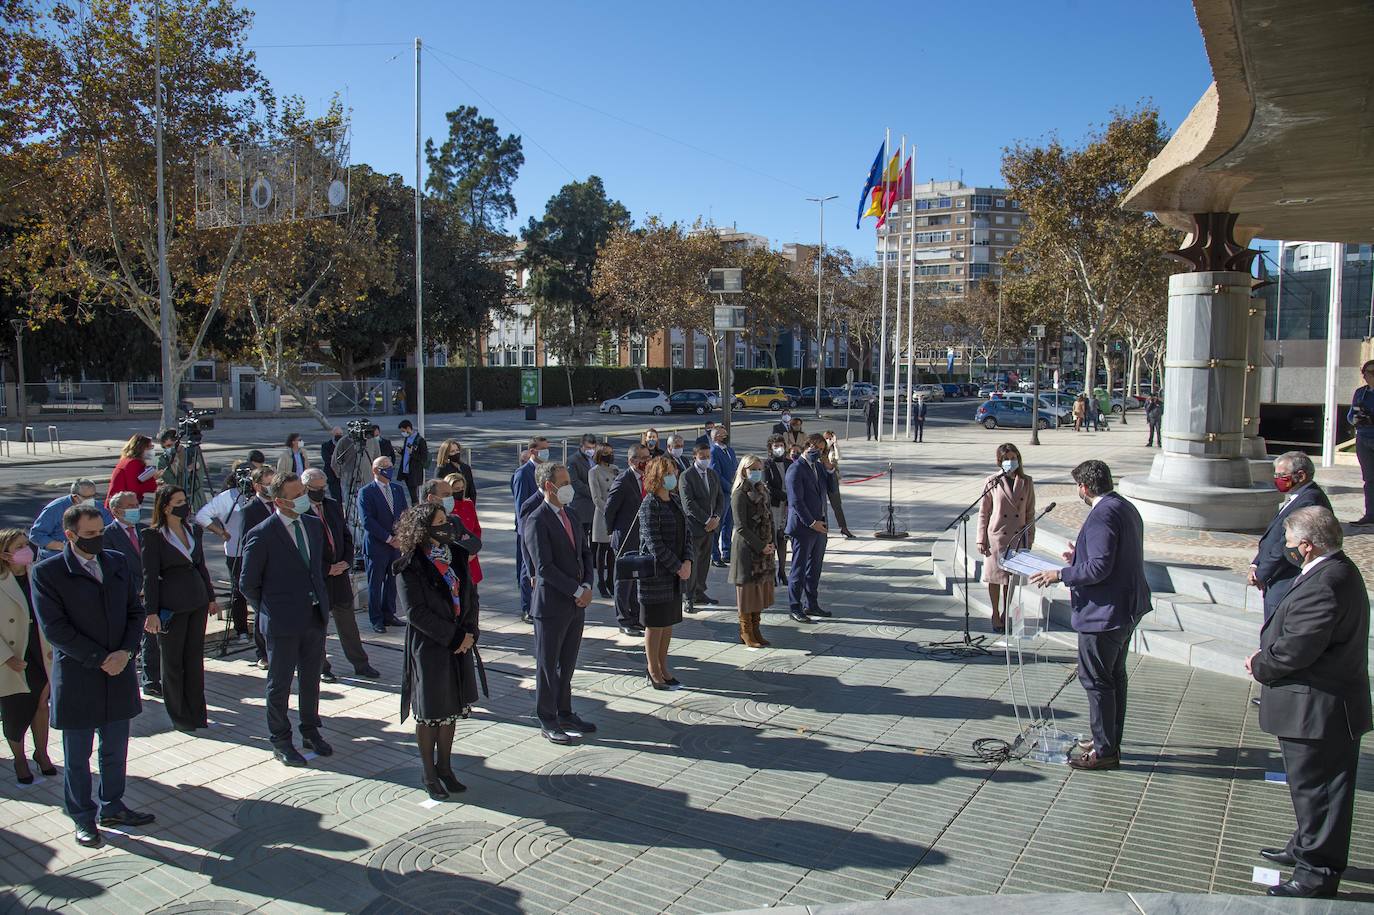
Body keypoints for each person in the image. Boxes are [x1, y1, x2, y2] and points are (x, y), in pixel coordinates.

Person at [1246, 506, 1370, 899]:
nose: (1286, 549)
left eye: (1289, 543)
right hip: (1316, 706)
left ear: (1307, 545)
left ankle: (1316, 874)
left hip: (1320, 709)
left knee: (1320, 792)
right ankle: (1304, 847)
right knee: (1309, 789)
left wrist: (1259, 663)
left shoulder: (1327, 582)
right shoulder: (1331, 571)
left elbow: (1299, 648)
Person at [32, 502, 153, 848]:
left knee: (115, 750)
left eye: (100, 532)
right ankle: (83, 817)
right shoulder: (48, 573)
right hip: (80, 677)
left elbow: (135, 610)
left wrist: (126, 653)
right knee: (78, 756)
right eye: (90, 535)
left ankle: (113, 805)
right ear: (69, 535)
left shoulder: (114, 562)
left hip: (119, 671)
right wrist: (101, 658)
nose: (98, 539)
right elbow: (55, 629)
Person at [1029, 460, 1151, 771]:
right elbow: (1110, 556)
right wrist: (1077, 557)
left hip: (1105, 614)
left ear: (1084, 488)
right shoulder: (1124, 506)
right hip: (1126, 608)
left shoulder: (1102, 515)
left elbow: (1099, 568)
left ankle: (1105, 751)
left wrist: (1061, 573)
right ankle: (1106, 739)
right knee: (1113, 677)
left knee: (1097, 680)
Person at [238, 473, 332, 767]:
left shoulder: (313, 525)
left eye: (303, 491)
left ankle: (310, 729)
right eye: (297, 495)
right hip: (281, 623)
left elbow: (316, 567)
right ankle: (280, 739)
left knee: (310, 679)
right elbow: (248, 584)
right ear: (279, 500)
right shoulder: (262, 534)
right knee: (279, 684)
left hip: (313, 617)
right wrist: (271, 609)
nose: (304, 497)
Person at [395, 502, 481, 800]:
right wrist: (454, 636)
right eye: (441, 521)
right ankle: (429, 773)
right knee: (431, 713)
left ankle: (445, 767)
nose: (447, 526)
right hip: (431, 646)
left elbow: (470, 595)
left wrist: (469, 633)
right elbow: (416, 613)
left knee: (451, 711)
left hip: (460, 644)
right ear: (424, 529)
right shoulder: (410, 565)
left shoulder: (456, 554)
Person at [522, 462, 596, 744]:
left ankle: (565, 711)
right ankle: (547, 717)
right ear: (548, 486)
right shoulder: (537, 520)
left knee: (567, 663)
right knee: (547, 664)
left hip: (576, 603)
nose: (569, 488)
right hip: (552, 605)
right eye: (564, 483)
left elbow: (585, 553)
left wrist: (587, 585)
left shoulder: (572, 515)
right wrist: (577, 590)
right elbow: (544, 568)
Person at [140, 485, 215, 732]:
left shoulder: (192, 529)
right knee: (172, 661)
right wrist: (151, 612)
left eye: (185, 500)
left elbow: (201, 565)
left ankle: (197, 712)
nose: (185, 504)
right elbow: (149, 576)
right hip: (171, 605)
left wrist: (211, 597)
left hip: (197, 601)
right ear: (165, 506)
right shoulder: (154, 535)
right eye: (179, 501)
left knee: (194, 659)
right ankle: (180, 715)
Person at [302, 469, 379, 680]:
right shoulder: (300, 511)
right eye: (314, 489)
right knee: (319, 625)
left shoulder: (332, 506)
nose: (319, 492)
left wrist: (346, 561)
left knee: (348, 624)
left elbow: (345, 536)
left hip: (340, 574)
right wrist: (326, 567)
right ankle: (321, 667)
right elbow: (304, 548)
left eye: (322, 488)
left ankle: (360, 664)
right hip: (318, 578)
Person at [1249, 451, 1332, 625]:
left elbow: (1286, 544)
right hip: (1277, 577)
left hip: (1286, 578)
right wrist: (1256, 563)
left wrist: (1262, 572)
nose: (1277, 479)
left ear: (1300, 475)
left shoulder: (1308, 500)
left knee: (1276, 632)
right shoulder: (1298, 497)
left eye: (1281, 475)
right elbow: (1273, 535)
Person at [0, 530, 55, 785]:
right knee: (15, 710)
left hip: (40, 651)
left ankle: (41, 752)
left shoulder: (39, 574)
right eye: (19, 546)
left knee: (41, 703)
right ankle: (19, 757)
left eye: (26, 544)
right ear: (5, 554)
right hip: (13, 656)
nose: (26, 550)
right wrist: (6, 657)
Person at [637, 456, 690, 688]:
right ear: (657, 476)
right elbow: (653, 543)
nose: (674, 475)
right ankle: (652, 669)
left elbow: (686, 533)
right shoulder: (649, 504)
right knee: (655, 624)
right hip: (657, 575)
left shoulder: (675, 500)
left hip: (675, 575)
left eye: (674, 471)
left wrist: (687, 560)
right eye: (668, 472)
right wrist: (677, 566)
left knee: (667, 622)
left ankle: (663, 665)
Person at [196, 462, 258, 650]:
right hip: (236, 551)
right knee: (239, 592)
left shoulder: (259, 495)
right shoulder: (226, 498)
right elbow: (201, 516)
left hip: (258, 550)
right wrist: (221, 532)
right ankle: (241, 630)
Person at [976, 444, 1036, 632]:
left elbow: (1030, 512)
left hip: (1017, 538)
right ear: (1000, 461)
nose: (1011, 461)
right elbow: (984, 512)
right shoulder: (992, 481)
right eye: (1006, 458)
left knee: (1010, 580)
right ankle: (995, 612)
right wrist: (980, 538)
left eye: (1013, 457)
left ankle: (1006, 612)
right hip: (996, 537)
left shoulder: (1026, 481)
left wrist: (1030, 538)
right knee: (995, 578)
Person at [106, 491, 159, 697]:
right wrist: (139, 587)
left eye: (136, 504)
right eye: (131, 505)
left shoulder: (145, 530)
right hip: (129, 596)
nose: (136, 508)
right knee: (132, 640)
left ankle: (152, 681)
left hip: (152, 594)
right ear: (116, 510)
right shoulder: (107, 536)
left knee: (152, 638)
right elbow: (113, 569)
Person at [785, 434, 833, 624]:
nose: (817, 451)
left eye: (821, 449)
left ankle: (811, 603)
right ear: (806, 446)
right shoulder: (795, 469)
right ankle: (794, 606)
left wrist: (830, 470)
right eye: (814, 447)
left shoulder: (819, 467)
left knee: (815, 568)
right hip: (804, 528)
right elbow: (796, 502)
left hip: (820, 526)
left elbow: (831, 490)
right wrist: (812, 523)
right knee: (799, 568)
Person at [358, 456, 408, 633]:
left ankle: (389, 614)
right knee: (375, 583)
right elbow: (367, 521)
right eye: (384, 467)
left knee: (392, 582)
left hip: (395, 546)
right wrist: (388, 538)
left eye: (390, 466)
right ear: (375, 470)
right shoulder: (366, 492)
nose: (388, 469)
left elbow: (404, 514)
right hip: (377, 545)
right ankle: (376, 618)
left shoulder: (397, 489)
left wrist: (401, 537)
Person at [729, 455, 775, 649]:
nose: (756, 472)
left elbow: (768, 518)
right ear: (744, 470)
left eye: (758, 468)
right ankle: (746, 631)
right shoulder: (739, 494)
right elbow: (741, 527)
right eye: (752, 469)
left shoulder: (762, 490)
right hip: (747, 551)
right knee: (747, 593)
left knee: (758, 592)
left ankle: (756, 629)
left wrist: (770, 542)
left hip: (763, 550)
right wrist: (760, 545)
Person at [605, 444, 649, 635]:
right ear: (632, 461)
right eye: (643, 459)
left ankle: (635, 616)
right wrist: (612, 532)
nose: (647, 462)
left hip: (641, 538)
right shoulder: (623, 480)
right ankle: (623, 619)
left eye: (648, 457)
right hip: (625, 537)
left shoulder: (646, 478)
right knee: (623, 582)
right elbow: (609, 510)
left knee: (635, 580)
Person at [239, 466, 277, 666]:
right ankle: (262, 653)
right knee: (261, 612)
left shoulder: (279, 504)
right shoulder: (250, 510)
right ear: (256, 486)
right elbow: (248, 542)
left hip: (280, 568)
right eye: (268, 484)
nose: (272, 487)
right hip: (262, 568)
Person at [679, 441, 723, 613]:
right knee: (693, 562)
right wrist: (706, 520)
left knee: (704, 562)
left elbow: (720, 498)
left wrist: (716, 518)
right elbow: (688, 504)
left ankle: (700, 592)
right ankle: (688, 596)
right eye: (702, 457)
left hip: (711, 528)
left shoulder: (712, 474)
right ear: (694, 457)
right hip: (695, 528)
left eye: (707, 457)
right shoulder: (686, 476)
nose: (705, 460)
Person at [511, 438, 548, 624]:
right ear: (532, 451)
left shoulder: (546, 471)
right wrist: (525, 531)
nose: (546, 452)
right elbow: (521, 507)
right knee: (527, 569)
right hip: (528, 529)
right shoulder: (522, 473)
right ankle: (527, 607)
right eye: (543, 449)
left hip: (544, 525)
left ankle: (538, 603)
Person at [31, 480, 113, 562]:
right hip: (58, 559)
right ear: (75, 497)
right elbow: (36, 535)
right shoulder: (55, 508)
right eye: (87, 497)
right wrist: (64, 547)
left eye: (93, 496)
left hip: (90, 558)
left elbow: (110, 531)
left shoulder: (99, 507)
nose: (91, 500)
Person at [589, 445, 619, 598]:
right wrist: (609, 511)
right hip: (603, 514)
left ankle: (610, 580)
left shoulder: (614, 468)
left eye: (611, 453)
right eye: (606, 453)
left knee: (612, 551)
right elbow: (596, 498)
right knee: (602, 550)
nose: (610, 456)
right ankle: (600, 581)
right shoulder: (594, 472)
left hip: (615, 513)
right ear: (600, 455)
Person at [330, 424, 381, 514]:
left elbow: (377, 461)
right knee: (351, 513)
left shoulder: (373, 441)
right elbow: (335, 463)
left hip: (368, 482)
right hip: (349, 483)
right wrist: (342, 476)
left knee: (368, 510)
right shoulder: (344, 441)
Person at [444, 473, 484, 585]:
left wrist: (473, 549)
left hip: (471, 555)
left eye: (462, 488)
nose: (460, 491)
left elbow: (476, 529)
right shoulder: (445, 508)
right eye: (456, 489)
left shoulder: (468, 504)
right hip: (454, 558)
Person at [105, 434, 162, 510]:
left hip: (120, 503)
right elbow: (133, 488)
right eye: (149, 447)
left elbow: (138, 482)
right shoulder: (133, 463)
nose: (152, 450)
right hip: (121, 506)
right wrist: (153, 479)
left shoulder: (130, 461)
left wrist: (153, 481)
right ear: (141, 448)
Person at [764, 434, 791, 586]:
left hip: (788, 506)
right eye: (775, 446)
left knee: (783, 539)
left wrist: (790, 497)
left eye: (781, 445)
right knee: (772, 539)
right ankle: (772, 572)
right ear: (770, 448)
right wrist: (784, 496)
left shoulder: (789, 463)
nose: (779, 448)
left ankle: (782, 570)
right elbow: (767, 486)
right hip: (774, 505)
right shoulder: (767, 465)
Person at [709, 426, 738, 567]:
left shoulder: (730, 450)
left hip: (732, 492)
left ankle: (727, 552)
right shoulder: (713, 451)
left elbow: (736, 468)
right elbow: (716, 474)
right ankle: (715, 555)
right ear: (715, 437)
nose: (726, 436)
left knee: (729, 524)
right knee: (718, 525)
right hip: (722, 494)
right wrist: (730, 487)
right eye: (723, 434)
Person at [1349, 359, 1374, 525]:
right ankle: (1371, 514)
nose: (1371, 376)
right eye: (1369, 372)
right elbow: (1351, 414)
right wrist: (1356, 419)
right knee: (1370, 479)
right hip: (1364, 438)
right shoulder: (1360, 393)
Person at [821, 430, 855, 538]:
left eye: (830, 438)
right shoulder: (820, 450)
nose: (828, 440)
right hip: (821, 478)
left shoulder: (833, 450)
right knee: (820, 505)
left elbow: (838, 457)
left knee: (837, 505)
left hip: (832, 478)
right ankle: (822, 529)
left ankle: (843, 528)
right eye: (826, 438)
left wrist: (835, 444)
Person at [567, 433, 599, 543]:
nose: (591, 450)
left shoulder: (596, 459)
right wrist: (594, 493)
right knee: (582, 539)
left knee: (596, 541)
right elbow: (575, 483)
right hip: (582, 506)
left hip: (596, 507)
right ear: (581, 446)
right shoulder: (573, 460)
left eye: (593, 448)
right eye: (588, 448)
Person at [434, 438, 478, 504]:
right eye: (452, 451)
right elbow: (438, 491)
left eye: (457, 450)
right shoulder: (441, 469)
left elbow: (472, 489)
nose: (456, 453)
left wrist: (472, 504)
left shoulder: (465, 468)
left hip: (465, 504)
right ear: (446, 454)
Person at [396, 419, 429, 505]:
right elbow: (406, 453)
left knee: (414, 494)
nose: (403, 433)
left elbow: (423, 458)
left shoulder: (420, 440)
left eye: (403, 431)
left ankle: (416, 508)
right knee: (411, 493)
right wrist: (401, 451)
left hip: (414, 472)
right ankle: (415, 507)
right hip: (406, 470)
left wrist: (412, 453)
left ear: (408, 428)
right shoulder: (407, 439)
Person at [320, 427, 344, 503]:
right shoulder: (326, 446)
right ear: (332, 434)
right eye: (337, 434)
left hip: (344, 475)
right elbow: (327, 460)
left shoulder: (346, 445)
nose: (339, 435)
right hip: (332, 476)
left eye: (340, 434)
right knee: (336, 497)